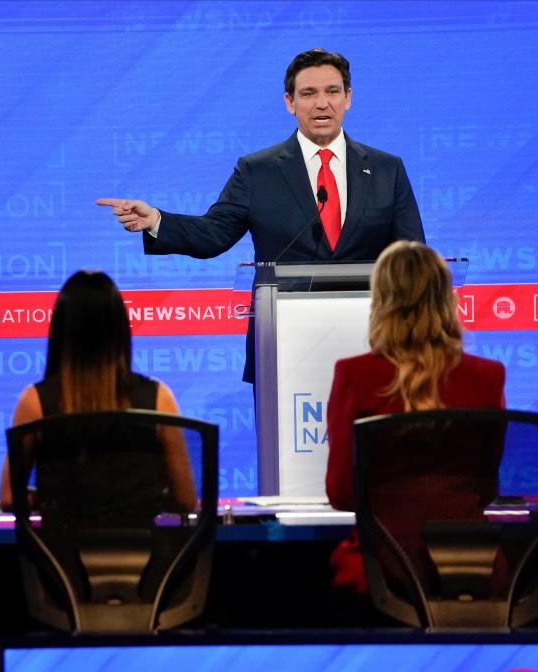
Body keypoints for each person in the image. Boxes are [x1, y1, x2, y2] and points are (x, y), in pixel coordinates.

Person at [97, 48, 425, 383]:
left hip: (373, 344)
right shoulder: (258, 171)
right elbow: (214, 233)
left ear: (348, 98)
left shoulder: (387, 169)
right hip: (285, 346)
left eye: (332, 91)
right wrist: (155, 220)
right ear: (290, 102)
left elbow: (415, 260)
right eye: (308, 93)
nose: (322, 103)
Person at [325, 240, 505, 600]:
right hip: (472, 569)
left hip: (384, 574)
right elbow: (488, 487)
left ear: (382, 303)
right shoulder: (487, 376)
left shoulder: (355, 375)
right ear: (446, 299)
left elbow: (342, 494)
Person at [0, 270, 196, 513]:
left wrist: (50, 499)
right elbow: (186, 500)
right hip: (142, 550)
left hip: (59, 550)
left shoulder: (34, 402)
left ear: (61, 331)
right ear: (120, 328)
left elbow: (9, 497)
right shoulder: (158, 398)